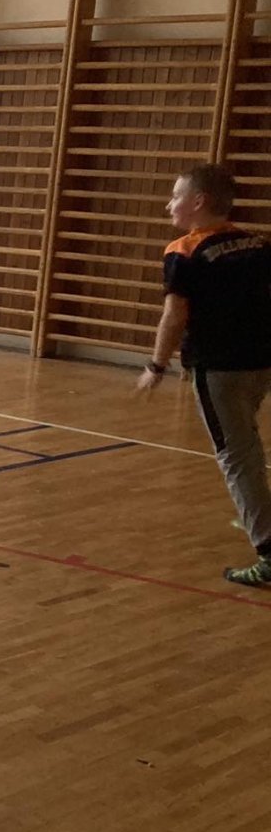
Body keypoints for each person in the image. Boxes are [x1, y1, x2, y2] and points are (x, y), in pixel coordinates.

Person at [136, 163, 271, 586]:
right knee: (248, 445)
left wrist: (157, 364)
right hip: (260, 363)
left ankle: (268, 552)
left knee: (238, 457)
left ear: (198, 202)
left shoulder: (184, 251)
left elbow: (174, 315)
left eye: (176, 196)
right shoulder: (257, 244)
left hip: (219, 368)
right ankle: (262, 517)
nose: (169, 205)